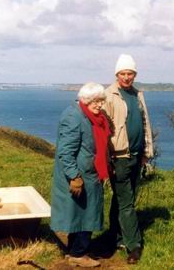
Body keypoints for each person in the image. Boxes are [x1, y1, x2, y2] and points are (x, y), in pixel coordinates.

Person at [50, 82, 111, 268]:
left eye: (102, 100)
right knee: (86, 214)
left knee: (82, 213)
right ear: (85, 100)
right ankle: (79, 253)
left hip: (90, 174)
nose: (100, 105)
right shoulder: (74, 116)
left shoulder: (91, 116)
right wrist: (74, 176)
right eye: (96, 101)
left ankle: (75, 251)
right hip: (80, 175)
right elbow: (65, 151)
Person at [103, 54, 154, 264]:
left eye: (130, 73)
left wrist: (146, 152)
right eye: (123, 73)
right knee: (127, 203)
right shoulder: (109, 95)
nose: (126, 77)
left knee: (123, 198)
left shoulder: (137, 94)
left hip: (136, 155)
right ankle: (134, 246)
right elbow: (104, 130)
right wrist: (107, 159)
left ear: (135, 75)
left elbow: (145, 123)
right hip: (119, 156)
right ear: (117, 74)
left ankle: (115, 236)